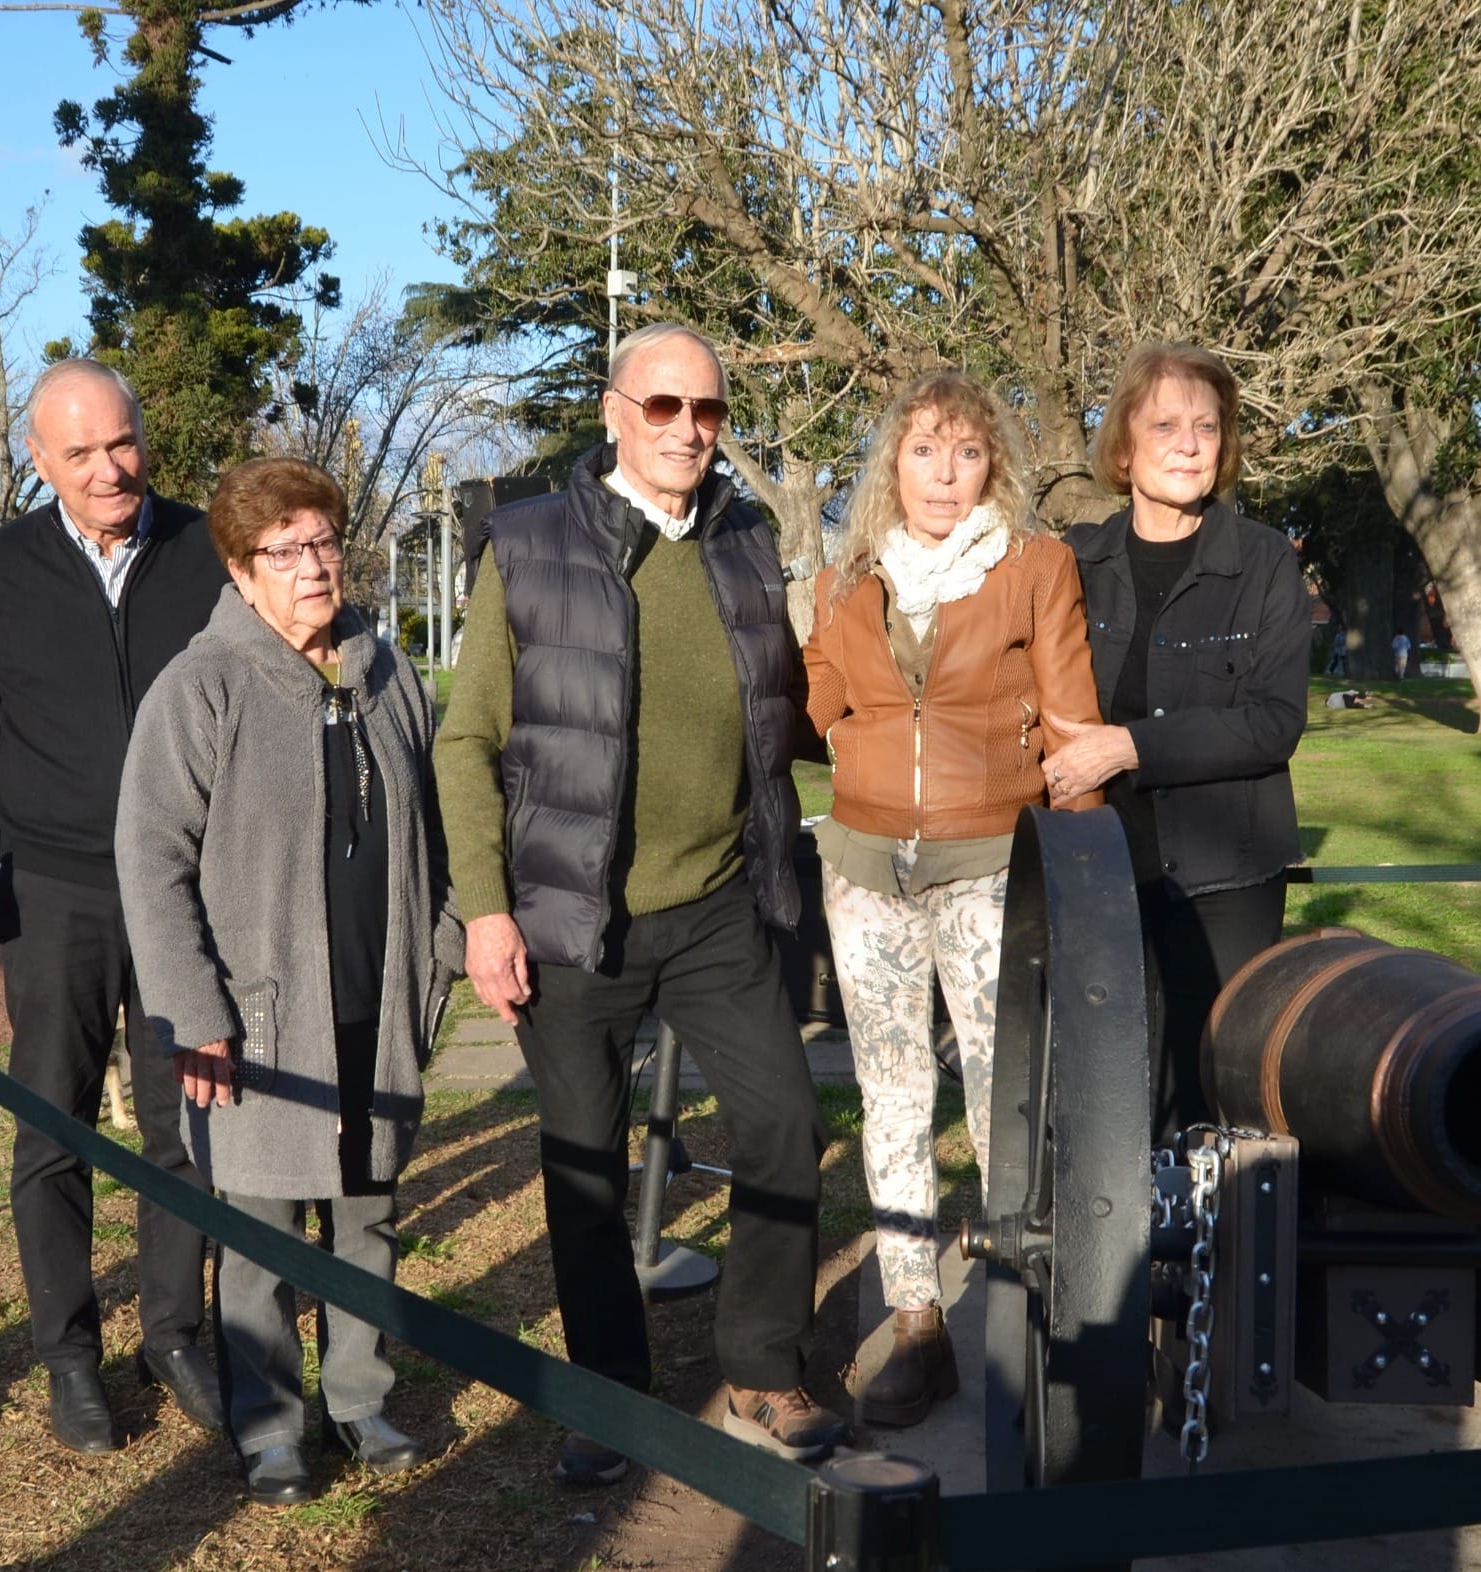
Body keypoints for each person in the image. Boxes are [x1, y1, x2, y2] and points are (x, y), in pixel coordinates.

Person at [433, 321, 839, 1481]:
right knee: (583, 1168)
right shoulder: (525, 544)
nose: (688, 432)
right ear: (614, 411)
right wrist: (487, 912)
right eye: (663, 408)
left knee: (780, 1127)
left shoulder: (747, 544)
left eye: (707, 411)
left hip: (716, 906)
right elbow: (467, 742)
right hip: (573, 920)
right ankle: (609, 1400)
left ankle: (763, 1371)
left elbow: (794, 714)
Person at [118, 458, 460, 1504]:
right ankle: (269, 1426)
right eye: (287, 550)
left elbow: (445, 841)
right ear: (240, 566)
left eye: (324, 544)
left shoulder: (388, 673)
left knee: (366, 1214)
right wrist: (197, 1015)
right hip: (257, 1021)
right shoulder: (201, 685)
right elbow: (150, 859)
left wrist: (437, 959)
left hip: (376, 1000)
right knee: (262, 1234)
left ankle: (358, 1398)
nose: (314, 567)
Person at [802, 370, 1102, 1427]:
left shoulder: (1035, 567)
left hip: (991, 865)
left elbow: (1073, 723)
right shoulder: (850, 580)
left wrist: (1081, 873)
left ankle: (1026, 1316)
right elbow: (817, 703)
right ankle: (918, 1325)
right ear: (893, 462)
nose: (943, 473)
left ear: (994, 465)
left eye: (966, 452)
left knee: (996, 1092)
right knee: (888, 1093)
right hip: (866, 866)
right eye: (923, 450)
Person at [0, 359, 229, 1454]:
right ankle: (71, 1352)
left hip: (185, 885)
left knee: (182, 1124)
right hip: (53, 885)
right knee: (52, 1123)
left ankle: (175, 1330)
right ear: (39, 460)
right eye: (80, 453)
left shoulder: (207, 549)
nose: (109, 468)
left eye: (123, 442)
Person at [1048, 342, 1311, 1142]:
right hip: (1094, 866)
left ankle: (1213, 1257)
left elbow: (1274, 721)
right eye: (1164, 425)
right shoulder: (1071, 561)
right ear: (1123, 448)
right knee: (1103, 1090)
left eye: (1206, 426)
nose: (1190, 444)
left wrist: (1128, 746)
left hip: (1224, 876)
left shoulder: (1264, 561)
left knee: (1212, 1094)